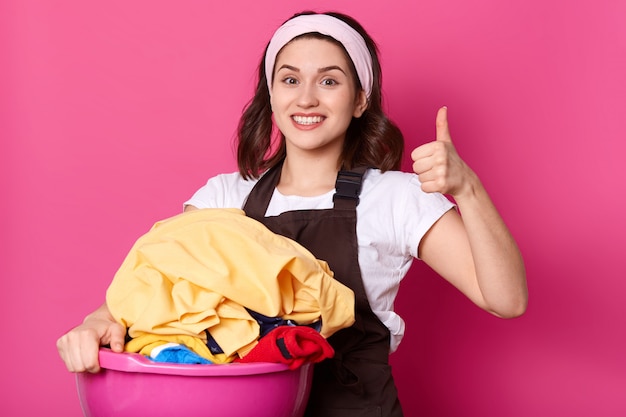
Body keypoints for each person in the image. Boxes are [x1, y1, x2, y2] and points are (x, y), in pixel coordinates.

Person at [57, 10, 527, 416]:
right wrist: (100, 320)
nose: (306, 98)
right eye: (289, 79)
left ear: (360, 99)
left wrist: (467, 188)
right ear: (272, 93)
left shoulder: (396, 198)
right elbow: (155, 282)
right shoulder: (225, 198)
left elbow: (506, 300)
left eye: (329, 80)